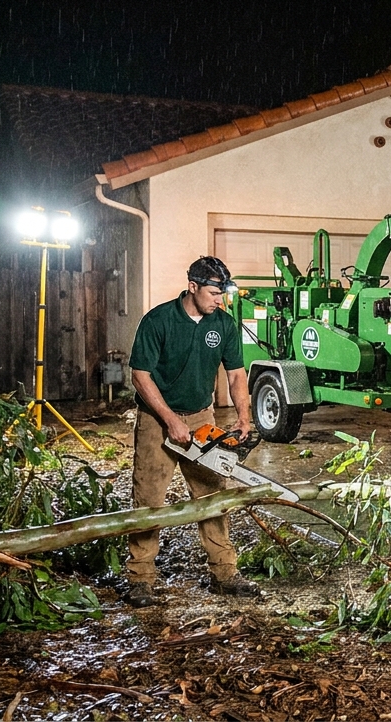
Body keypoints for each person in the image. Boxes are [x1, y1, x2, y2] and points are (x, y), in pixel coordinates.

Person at [124, 256, 261, 607]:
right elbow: (140, 375)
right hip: (158, 419)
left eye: (223, 293)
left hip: (201, 417)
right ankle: (140, 578)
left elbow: (235, 374)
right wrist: (169, 419)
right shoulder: (159, 320)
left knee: (213, 496)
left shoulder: (225, 325)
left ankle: (224, 573)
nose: (220, 300)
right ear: (193, 287)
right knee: (149, 498)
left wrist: (244, 416)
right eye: (215, 292)